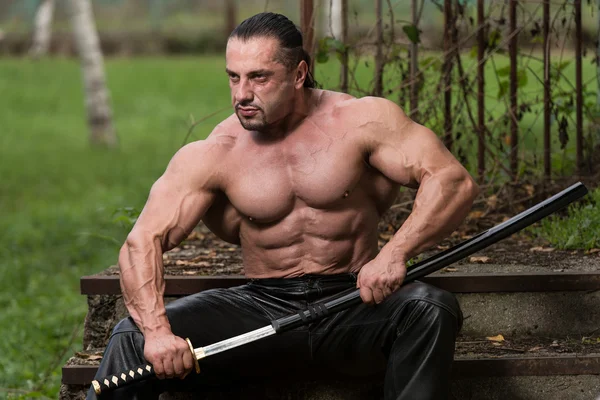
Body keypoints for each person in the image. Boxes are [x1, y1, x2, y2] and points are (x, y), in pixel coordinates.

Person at [87, 12, 478, 400]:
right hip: (262, 309)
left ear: (298, 74)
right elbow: (141, 242)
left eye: (258, 77)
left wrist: (396, 253)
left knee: (431, 308)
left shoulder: (361, 121)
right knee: (131, 337)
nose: (241, 94)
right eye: (233, 77)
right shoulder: (215, 152)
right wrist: (157, 334)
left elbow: (451, 180)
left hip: (355, 303)